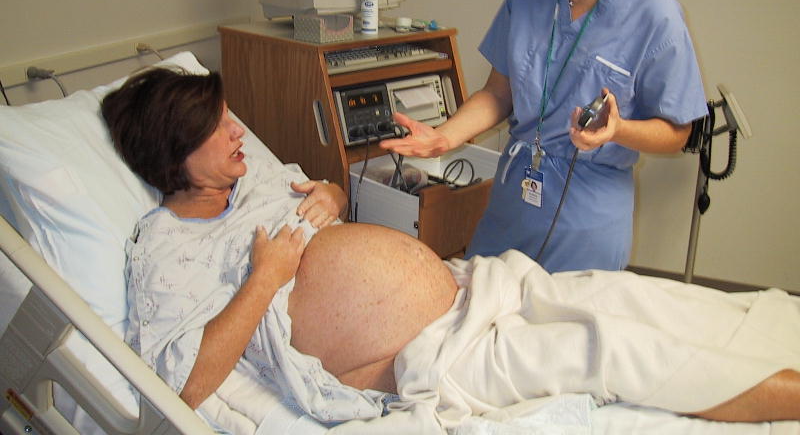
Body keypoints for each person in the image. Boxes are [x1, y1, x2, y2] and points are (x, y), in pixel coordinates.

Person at [101, 66, 800, 432]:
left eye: (231, 117)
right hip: (427, 358)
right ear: (174, 153)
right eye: (219, 127)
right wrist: (266, 279)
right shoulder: (165, 246)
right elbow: (179, 385)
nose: (238, 134)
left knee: (626, 296)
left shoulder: (254, 180)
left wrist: (333, 197)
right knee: (611, 351)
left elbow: (329, 199)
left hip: (471, 288)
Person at [379, 0, 708, 273]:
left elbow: (678, 131)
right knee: (483, 307)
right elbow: (499, 93)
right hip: (513, 206)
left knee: (563, 318)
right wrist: (445, 137)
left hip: (587, 222)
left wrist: (618, 130)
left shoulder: (657, 17)